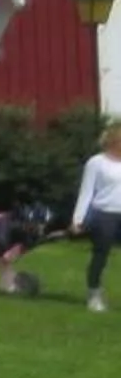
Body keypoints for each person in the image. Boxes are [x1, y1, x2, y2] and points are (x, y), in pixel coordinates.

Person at [77, 123, 121, 314]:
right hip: (104, 214)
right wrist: (78, 219)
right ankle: (94, 294)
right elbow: (86, 192)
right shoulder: (97, 162)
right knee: (100, 256)